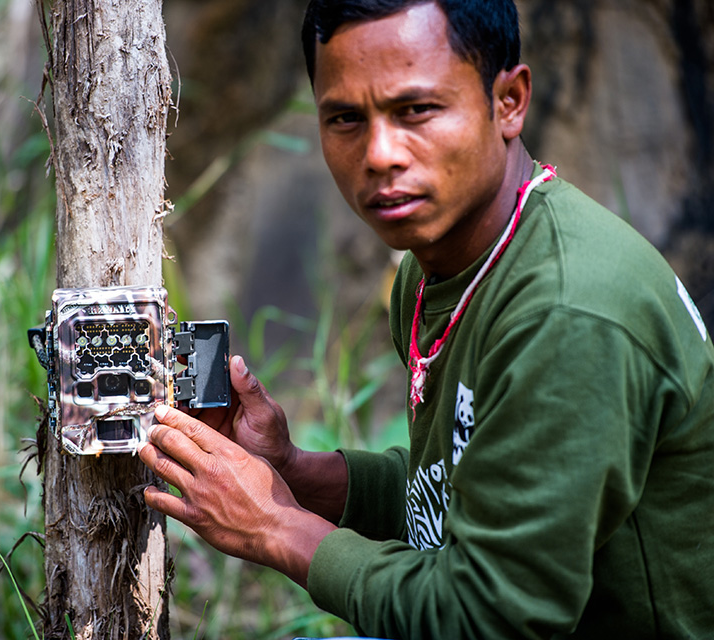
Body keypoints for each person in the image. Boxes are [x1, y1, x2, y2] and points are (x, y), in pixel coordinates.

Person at [139, 0, 714, 637]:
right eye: (345, 119)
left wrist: (276, 526)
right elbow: (448, 499)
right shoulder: (434, 267)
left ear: (509, 102)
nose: (381, 153)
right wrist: (292, 474)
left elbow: (494, 616)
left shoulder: (569, 311)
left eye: (416, 110)